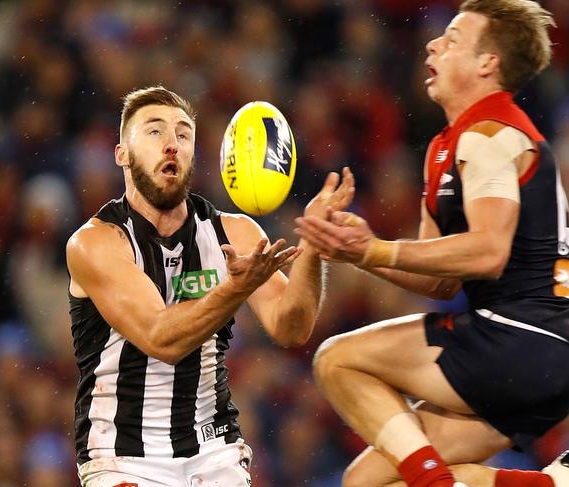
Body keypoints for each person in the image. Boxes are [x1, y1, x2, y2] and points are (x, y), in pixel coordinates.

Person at [294, 1, 569, 487]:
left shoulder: (488, 134)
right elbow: (439, 281)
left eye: (454, 39)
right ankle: (553, 484)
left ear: (488, 63)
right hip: (543, 357)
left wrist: (374, 250)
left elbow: (488, 252)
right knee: (367, 483)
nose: (434, 43)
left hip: (517, 339)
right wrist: (354, 252)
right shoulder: (447, 145)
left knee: (337, 360)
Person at [66, 86, 354, 486]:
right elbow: (160, 338)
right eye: (154, 132)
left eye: (183, 134)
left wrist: (314, 249)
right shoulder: (95, 243)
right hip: (124, 457)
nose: (172, 144)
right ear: (122, 154)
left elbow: (292, 327)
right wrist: (234, 289)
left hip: (213, 451)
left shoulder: (232, 231)